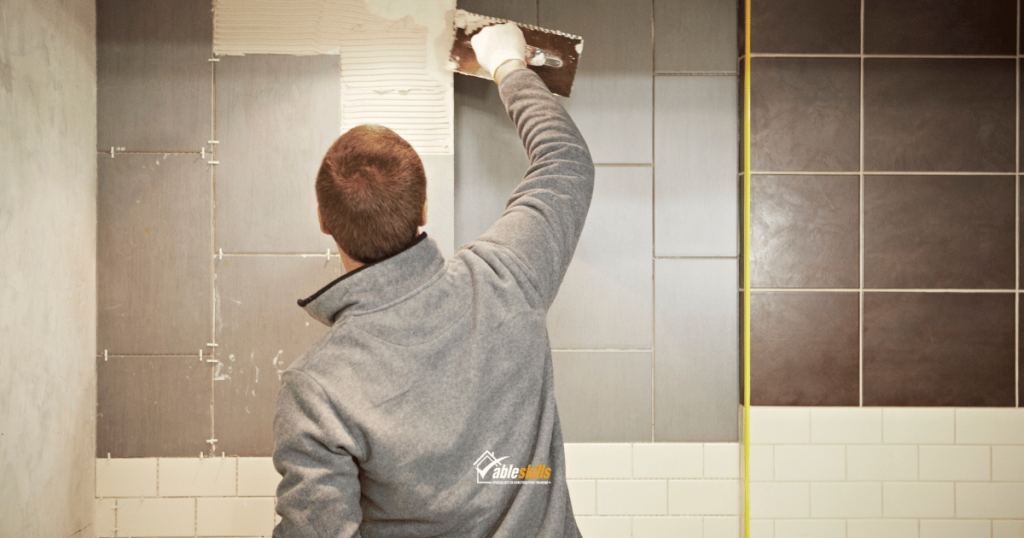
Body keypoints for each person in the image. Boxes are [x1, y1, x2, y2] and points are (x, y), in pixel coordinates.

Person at [273, 22, 594, 538]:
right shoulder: (507, 276)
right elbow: (567, 164)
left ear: (323, 221)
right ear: (423, 207)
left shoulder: (317, 389)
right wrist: (509, 66)